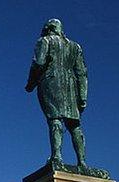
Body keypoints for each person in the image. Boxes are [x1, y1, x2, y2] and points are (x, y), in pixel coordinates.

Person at [25, 18, 89, 170]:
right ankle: (82, 162)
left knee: (55, 119)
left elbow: (38, 63)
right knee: (74, 124)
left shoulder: (45, 41)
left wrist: (31, 83)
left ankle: (57, 156)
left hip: (51, 82)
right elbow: (81, 72)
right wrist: (83, 96)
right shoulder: (75, 46)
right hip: (71, 86)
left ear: (48, 28)